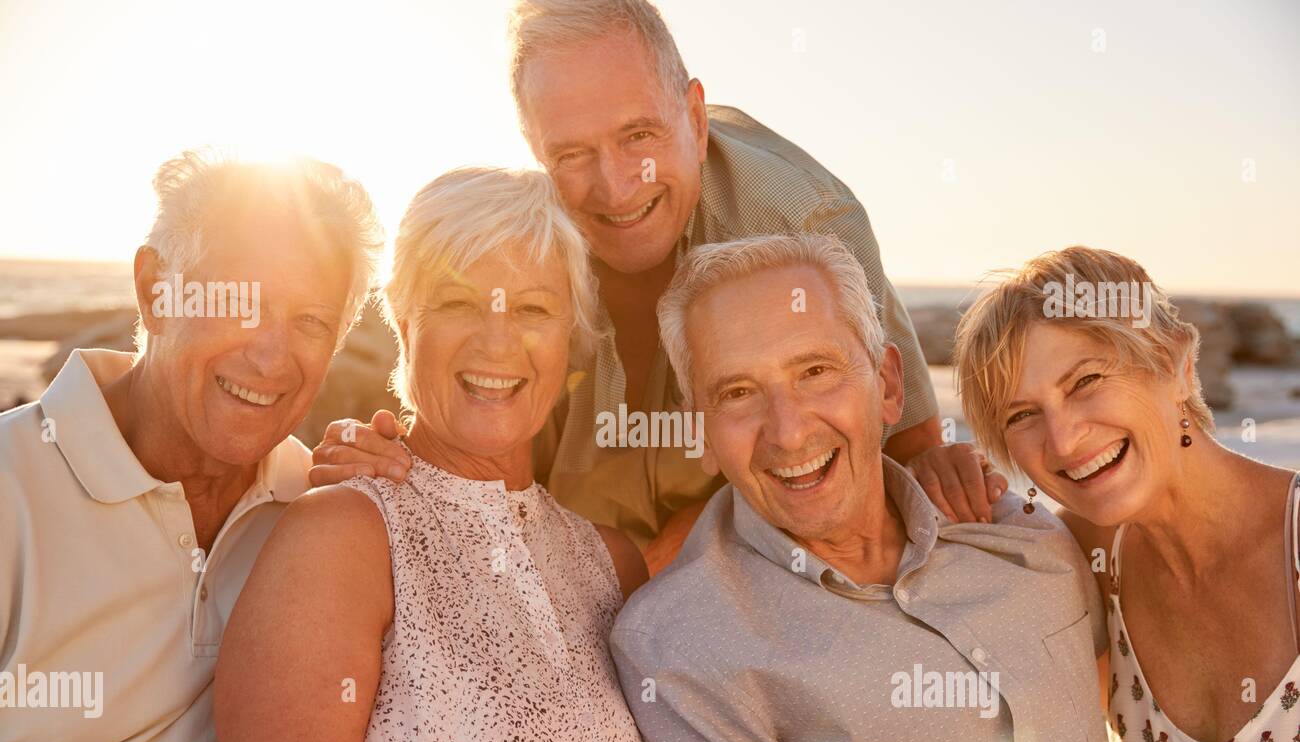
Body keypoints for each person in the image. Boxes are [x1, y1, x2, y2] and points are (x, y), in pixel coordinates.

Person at [309, 0, 1003, 571]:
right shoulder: (530, 251)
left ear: (695, 120)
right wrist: (387, 456)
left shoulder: (805, 224)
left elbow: (897, 443)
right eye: (572, 153)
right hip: (571, 583)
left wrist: (687, 544)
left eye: (639, 136)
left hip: (742, 574)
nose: (615, 188)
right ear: (536, 151)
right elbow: (466, 419)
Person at [608, 233, 1116, 742]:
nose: (789, 431)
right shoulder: (682, 640)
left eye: (815, 372)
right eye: (737, 393)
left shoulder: (1024, 541)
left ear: (887, 385)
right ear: (700, 432)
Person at [214, 168, 657, 742]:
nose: (496, 342)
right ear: (403, 315)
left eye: (534, 310)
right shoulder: (340, 541)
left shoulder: (611, 563)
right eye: (458, 302)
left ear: (573, 336)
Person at [0, 149, 382, 742]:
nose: (271, 357)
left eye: (310, 321)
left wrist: (399, 487)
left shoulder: (322, 511)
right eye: (240, 302)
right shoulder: (10, 489)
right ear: (154, 291)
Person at [953, 246, 1300, 742]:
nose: (1062, 440)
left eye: (1085, 381)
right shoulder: (1086, 554)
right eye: (1022, 415)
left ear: (1174, 364)